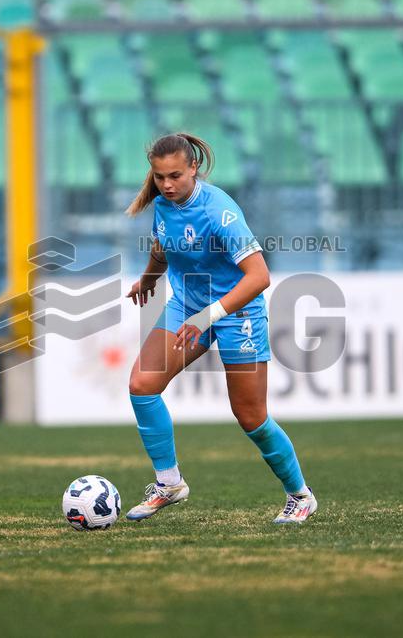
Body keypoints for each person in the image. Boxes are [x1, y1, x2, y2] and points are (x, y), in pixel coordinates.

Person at [123, 132, 316, 524]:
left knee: (251, 416)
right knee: (142, 386)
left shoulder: (220, 211)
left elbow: (259, 276)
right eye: (160, 177)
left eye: (175, 175)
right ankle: (169, 483)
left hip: (236, 312)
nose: (167, 184)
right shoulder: (164, 204)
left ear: (194, 167)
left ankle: (300, 496)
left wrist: (208, 316)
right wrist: (149, 278)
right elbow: (164, 246)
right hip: (187, 305)